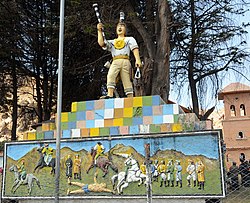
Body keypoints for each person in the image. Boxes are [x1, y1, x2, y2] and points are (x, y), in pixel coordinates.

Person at [97, 14, 142, 99]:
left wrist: (138, 59)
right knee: (110, 75)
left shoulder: (129, 39)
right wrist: (99, 31)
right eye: (118, 26)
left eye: (122, 26)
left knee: (126, 80)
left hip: (125, 61)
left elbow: (134, 48)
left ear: (125, 29)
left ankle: (130, 97)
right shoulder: (113, 42)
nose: (120, 28)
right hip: (115, 61)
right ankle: (110, 94)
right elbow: (102, 43)